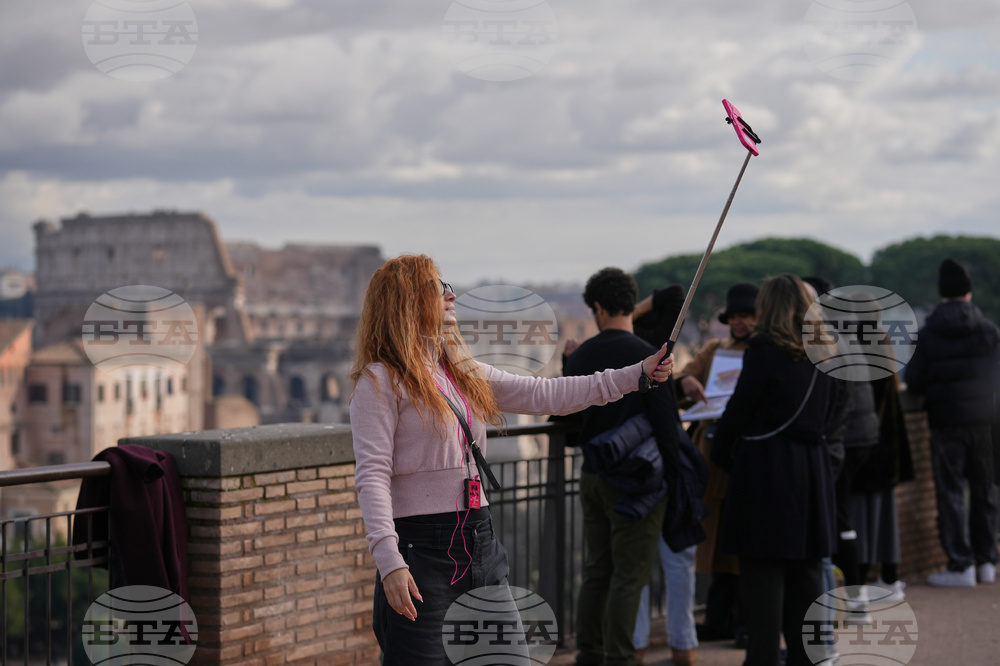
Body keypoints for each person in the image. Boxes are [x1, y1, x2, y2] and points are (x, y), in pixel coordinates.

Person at [350, 255, 674, 665]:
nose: (451, 294)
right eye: (438, 286)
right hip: (421, 553)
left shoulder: (460, 369)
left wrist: (637, 375)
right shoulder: (378, 381)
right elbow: (373, 475)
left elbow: (547, 395)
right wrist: (389, 562)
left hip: (480, 540)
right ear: (407, 302)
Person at [710, 274, 844, 666]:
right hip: (812, 471)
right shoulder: (828, 353)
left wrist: (724, 454)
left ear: (768, 307)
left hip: (767, 473)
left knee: (763, 591)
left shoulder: (764, 351)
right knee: (805, 585)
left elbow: (737, 415)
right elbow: (834, 415)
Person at [562, 268, 680, 666]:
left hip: (592, 475)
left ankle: (590, 654)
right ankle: (621, 658)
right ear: (631, 303)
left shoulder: (580, 355)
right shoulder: (649, 355)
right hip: (638, 482)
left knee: (597, 570)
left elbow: (569, 425)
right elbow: (667, 425)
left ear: (596, 308)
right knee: (629, 576)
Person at [904, 258, 1000, 587]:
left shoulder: (928, 333)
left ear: (942, 294)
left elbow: (914, 383)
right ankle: (987, 561)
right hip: (984, 422)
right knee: (985, 491)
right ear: (970, 293)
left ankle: (960, 565)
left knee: (952, 494)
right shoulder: (989, 330)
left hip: (945, 422)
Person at [675, 282, 758, 647]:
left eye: (746, 316)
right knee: (718, 544)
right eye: (735, 317)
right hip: (712, 458)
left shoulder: (766, 352)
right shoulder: (714, 349)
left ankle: (745, 622)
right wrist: (688, 381)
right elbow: (679, 380)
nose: (738, 322)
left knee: (742, 541)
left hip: (746, 458)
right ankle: (720, 618)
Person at [628, 284, 700, 666]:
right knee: (678, 561)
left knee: (635, 565)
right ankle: (683, 647)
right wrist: (634, 309)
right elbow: (675, 294)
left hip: (628, 474)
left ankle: (636, 646)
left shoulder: (602, 350)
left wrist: (623, 313)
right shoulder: (657, 348)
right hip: (666, 464)